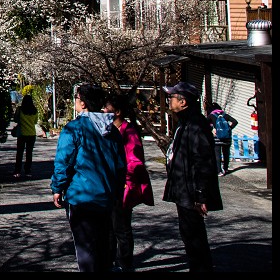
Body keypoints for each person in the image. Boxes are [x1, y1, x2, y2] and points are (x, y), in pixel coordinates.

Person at [50, 84, 125, 272]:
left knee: (86, 248)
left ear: (82, 103)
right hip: (106, 195)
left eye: (76, 99)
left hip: (82, 196)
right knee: (103, 246)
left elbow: (64, 161)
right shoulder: (112, 130)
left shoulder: (74, 129)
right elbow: (120, 165)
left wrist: (58, 188)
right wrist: (117, 191)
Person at [162, 81, 223, 272]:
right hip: (184, 188)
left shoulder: (195, 124)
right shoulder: (185, 122)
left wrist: (200, 194)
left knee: (194, 234)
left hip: (190, 190)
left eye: (172, 97)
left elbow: (203, 160)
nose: (169, 100)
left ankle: (201, 268)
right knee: (188, 233)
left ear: (183, 102)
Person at [103, 93, 154, 272]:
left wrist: (124, 178)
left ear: (117, 111)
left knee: (121, 228)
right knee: (108, 228)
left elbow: (135, 160)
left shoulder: (129, 131)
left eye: (106, 107)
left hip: (122, 186)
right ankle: (108, 262)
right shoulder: (108, 129)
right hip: (108, 185)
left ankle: (125, 264)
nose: (103, 110)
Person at [13, 94, 46, 179]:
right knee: (29, 153)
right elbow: (35, 122)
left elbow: (15, 119)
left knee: (19, 153)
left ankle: (17, 171)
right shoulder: (34, 110)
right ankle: (27, 170)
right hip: (31, 133)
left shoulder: (20, 109)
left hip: (22, 133)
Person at [207, 102, 238, 176]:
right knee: (226, 154)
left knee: (217, 154)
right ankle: (226, 168)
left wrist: (212, 129)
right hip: (227, 138)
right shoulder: (225, 115)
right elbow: (235, 122)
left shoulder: (211, 115)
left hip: (217, 138)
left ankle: (219, 171)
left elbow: (204, 123)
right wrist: (229, 129)